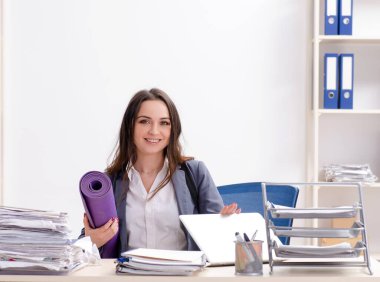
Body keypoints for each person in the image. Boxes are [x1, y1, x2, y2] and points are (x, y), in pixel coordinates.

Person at [81, 88, 240, 256]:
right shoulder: (110, 182)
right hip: (130, 276)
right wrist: (91, 240)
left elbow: (218, 244)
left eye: (164, 123)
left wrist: (224, 226)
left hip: (183, 277)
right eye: (144, 121)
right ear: (130, 126)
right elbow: (83, 245)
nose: (154, 131)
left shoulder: (195, 173)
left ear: (173, 129)